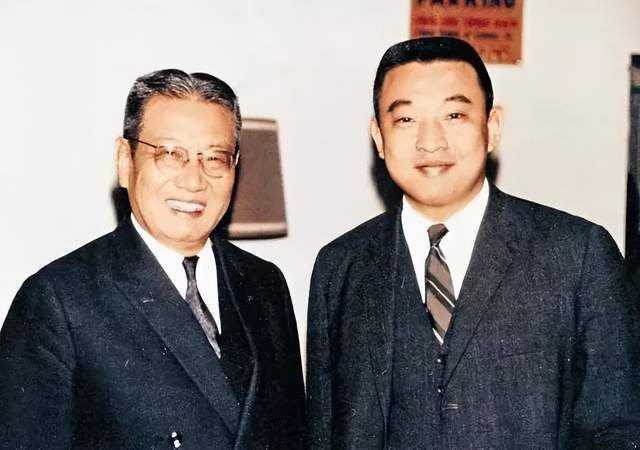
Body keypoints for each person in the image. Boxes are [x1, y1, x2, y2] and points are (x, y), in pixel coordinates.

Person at [306, 37, 640, 449]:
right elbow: (324, 433)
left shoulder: (579, 254)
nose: (431, 142)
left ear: (492, 127)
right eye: (406, 119)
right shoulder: (339, 267)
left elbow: (619, 430)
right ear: (379, 136)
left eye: (454, 115)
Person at [0, 69, 304, 449]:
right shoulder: (59, 301)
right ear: (125, 161)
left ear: (235, 166)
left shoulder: (265, 282)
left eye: (215, 158)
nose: (193, 181)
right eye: (170, 154)